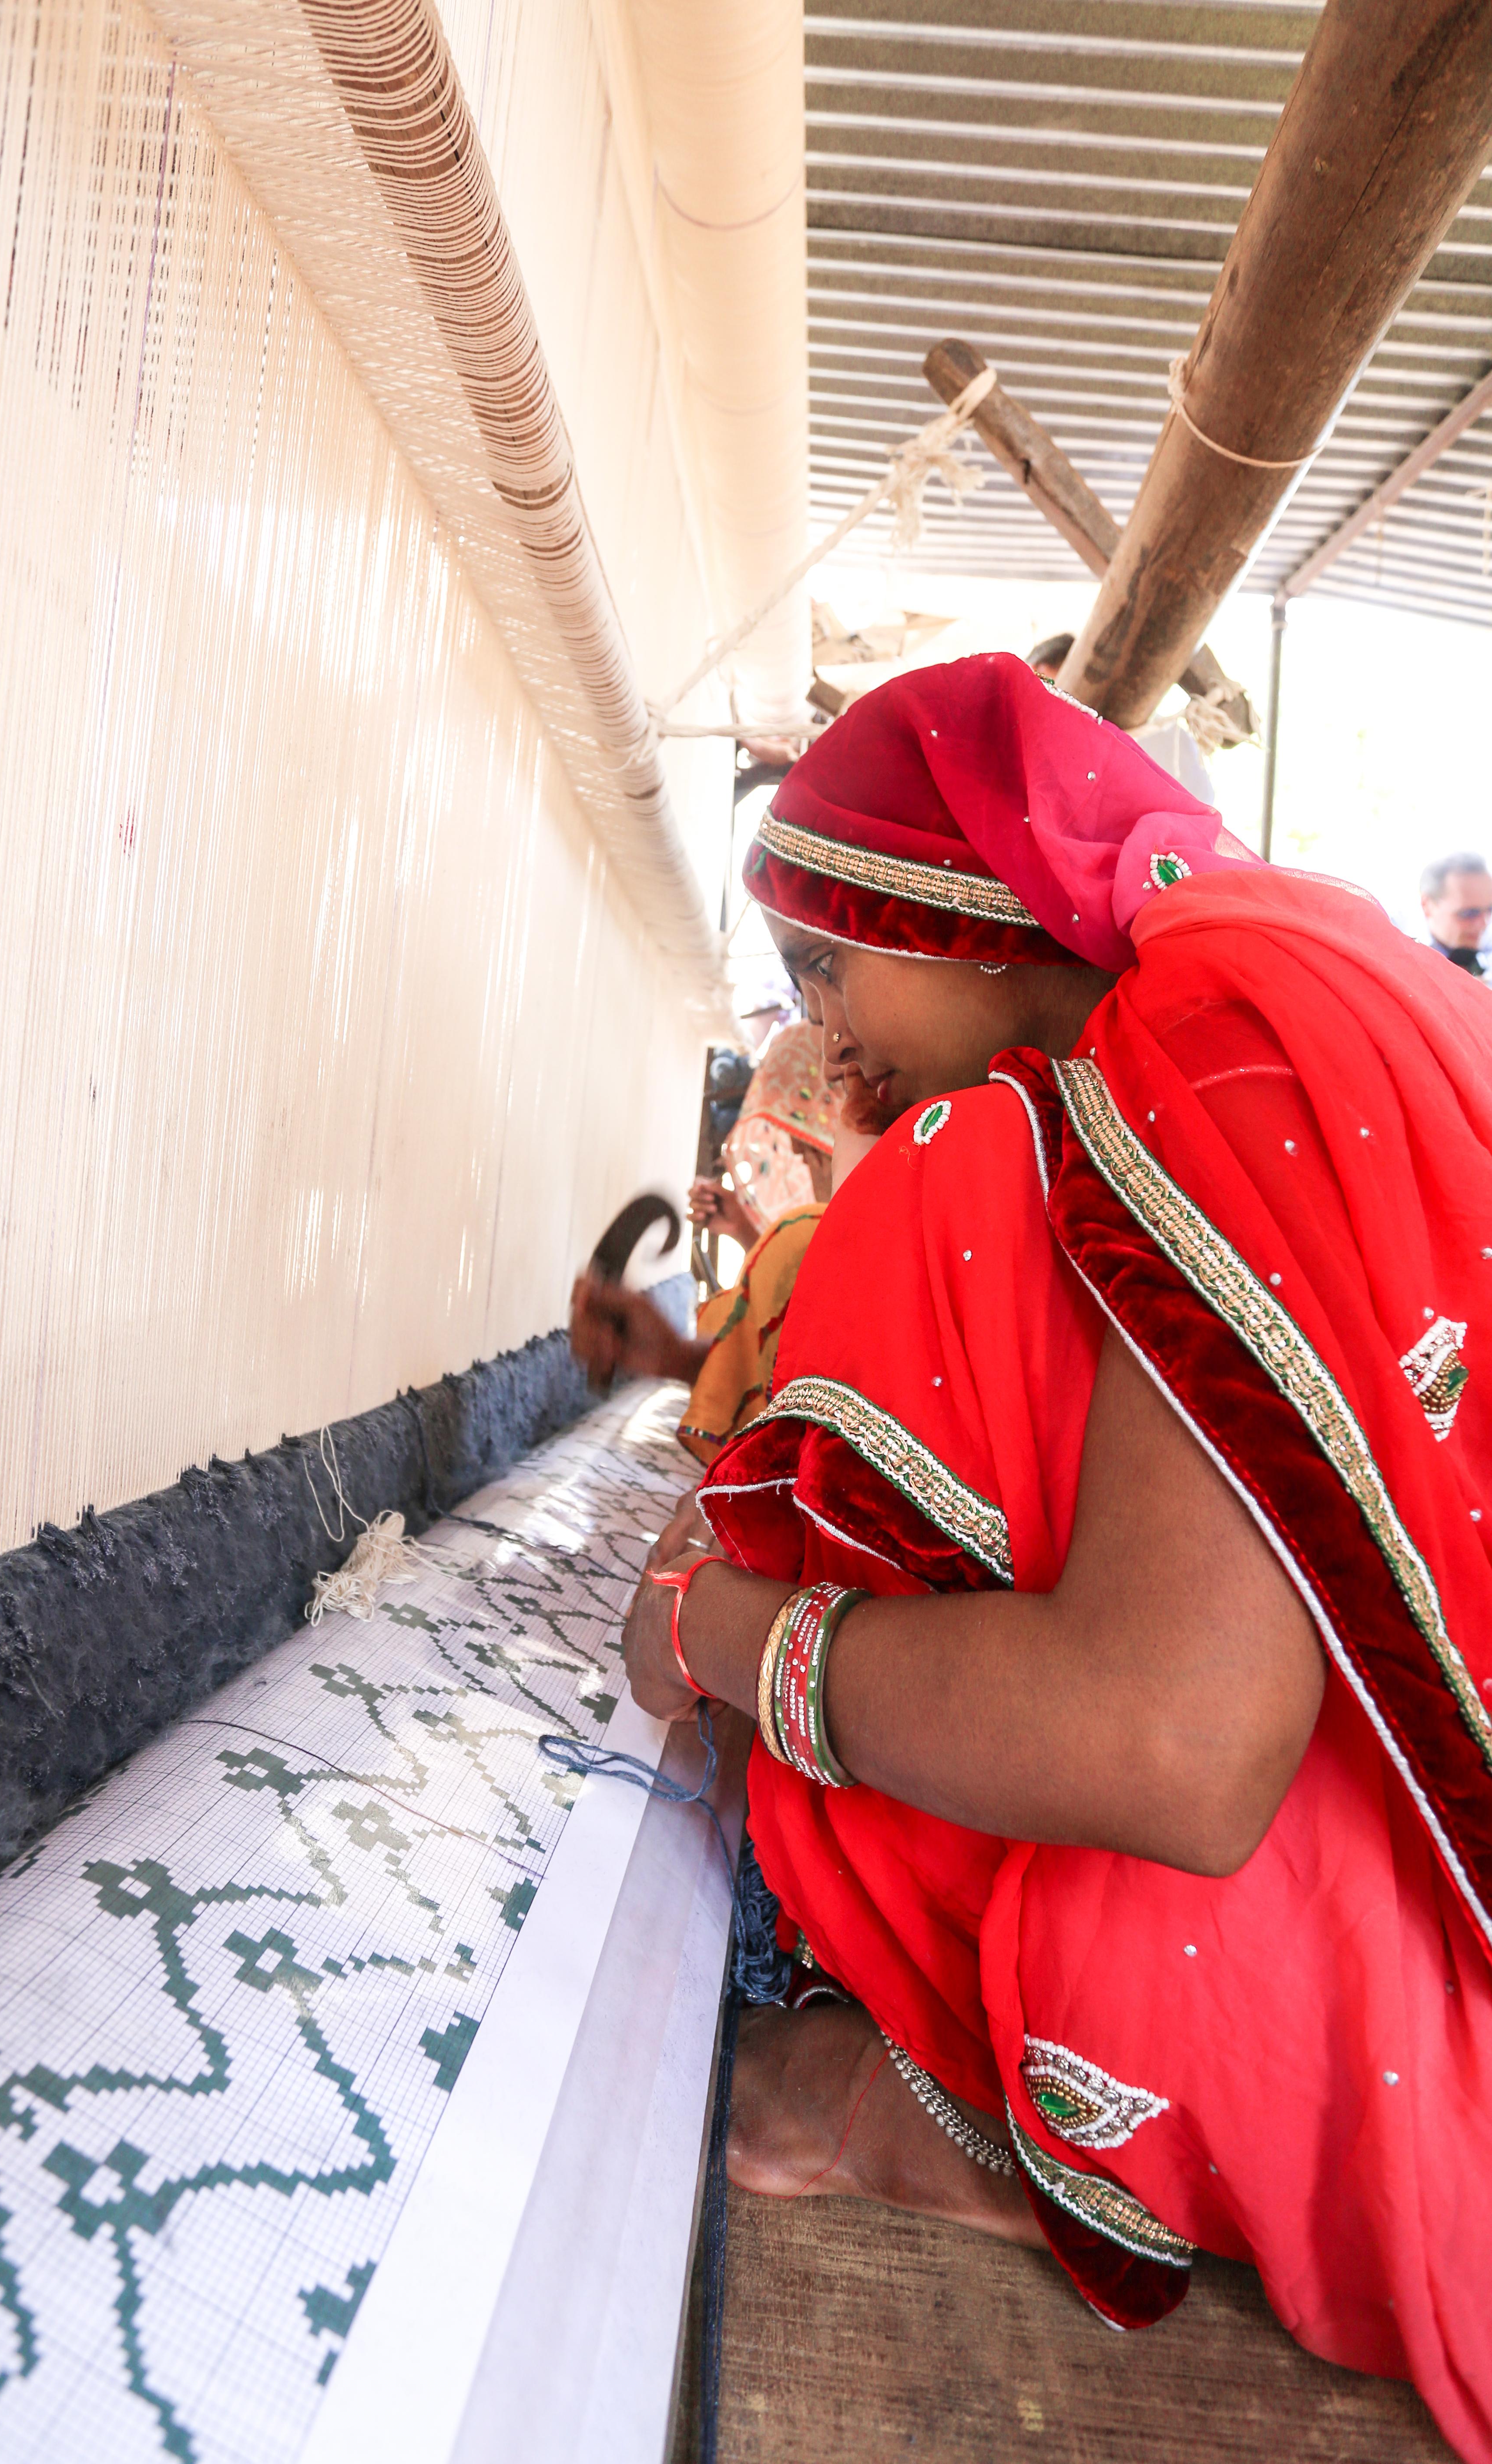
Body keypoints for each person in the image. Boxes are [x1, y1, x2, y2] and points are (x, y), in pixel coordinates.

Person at [620, 653, 1492, 2460]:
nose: (829, 1038)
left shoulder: (1208, 1050)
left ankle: (1010, 2115)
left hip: (1437, 2047)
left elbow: (1171, 1738)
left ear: (943, 897)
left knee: (949, 1192)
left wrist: (719, 1631)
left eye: (828, 965)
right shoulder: (1240, 1008)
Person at [571, 1025, 841, 1459]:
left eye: (817, 1155)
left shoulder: (808, 1237)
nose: (805, 1163)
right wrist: (677, 1357)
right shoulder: (807, 1246)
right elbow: (782, 1359)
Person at [1420, 852, 1492, 976]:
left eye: (1490, 910)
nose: (1484, 924)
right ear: (1428, 906)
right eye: (1469, 914)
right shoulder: (1403, 958)